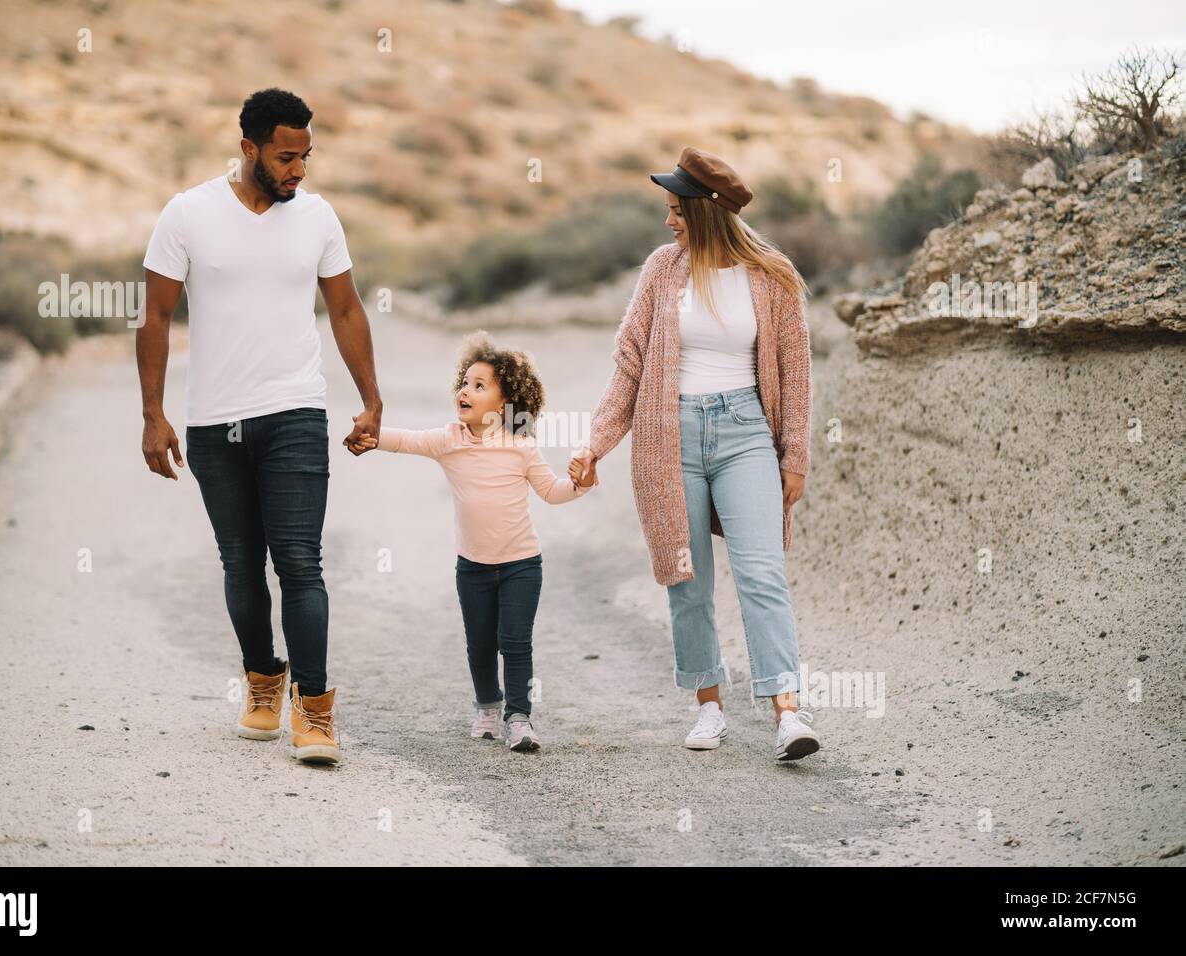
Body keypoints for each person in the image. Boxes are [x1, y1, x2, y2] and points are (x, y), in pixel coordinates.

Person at [137, 88, 382, 765]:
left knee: (300, 562)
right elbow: (154, 316)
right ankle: (261, 676)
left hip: (297, 410)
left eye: (306, 156)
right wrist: (153, 415)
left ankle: (315, 708)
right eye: (285, 157)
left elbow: (346, 310)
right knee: (241, 563)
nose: (298, 171)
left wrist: (371, 398)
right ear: (248, 149)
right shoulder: (187, 213)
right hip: (215, 420)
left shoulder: (319, 217)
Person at [568, 146, 821, 761]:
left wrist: (795, 456)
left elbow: (795, 369)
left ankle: (788, 711)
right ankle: (709, 707)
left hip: (745, 433)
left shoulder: (772, 277)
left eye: (676, 209)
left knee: (762, 573)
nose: (668, 221)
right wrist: (597, 441)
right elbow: (630, 360)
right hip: (669, 436)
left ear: (706, 211)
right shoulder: (661, 271)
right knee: (687, 578)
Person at [348, 331, 596, 752]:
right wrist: (368, 435)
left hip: (522, 564)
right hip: (473, 567)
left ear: (504, 403)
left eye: (479, 386)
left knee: (515, 642)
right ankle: (486, 705)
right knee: (480, 642)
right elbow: (404, 439)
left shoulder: (521, 446)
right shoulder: (449, 440)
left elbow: (553, 492)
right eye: (465, 383)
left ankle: (519, 718)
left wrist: (581, 484)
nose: (466, 391)